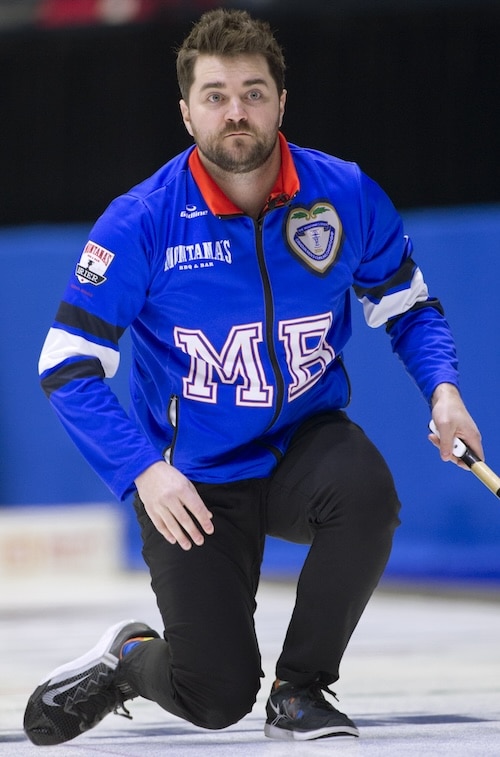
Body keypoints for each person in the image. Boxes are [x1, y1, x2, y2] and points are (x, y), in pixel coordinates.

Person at [24, 7, 482, 746]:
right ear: (185, 112)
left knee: (366, 493)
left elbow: (408, 306)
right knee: (214, 694)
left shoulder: (345, 194)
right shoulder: (140, 221)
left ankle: (302, 691)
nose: (235, 111)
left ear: (280, 102)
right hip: (191, 475)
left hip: (304, 443)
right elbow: (66, 366)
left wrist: (445, 389)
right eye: (214, 95)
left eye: (252, 92)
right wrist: (144, 471)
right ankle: (129, 657)